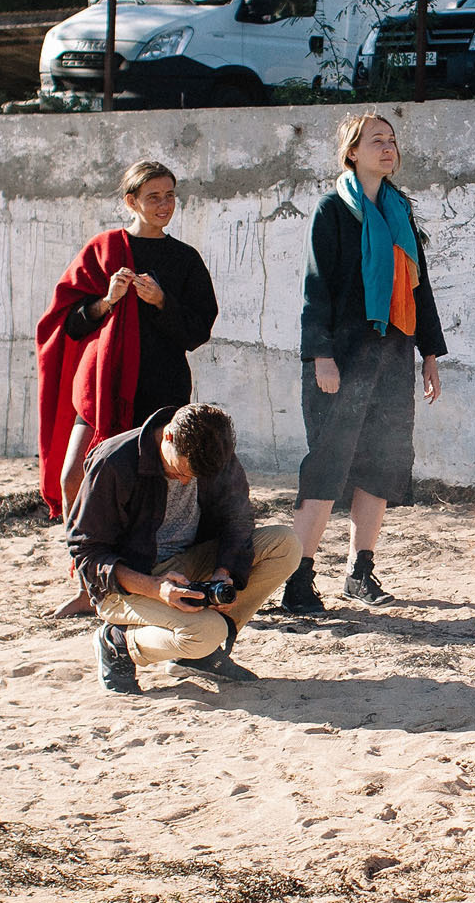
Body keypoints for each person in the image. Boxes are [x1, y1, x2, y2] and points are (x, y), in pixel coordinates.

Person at [34, 160, 220, 615]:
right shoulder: (102, 250)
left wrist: (161, 302)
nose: (164, 205)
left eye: (171, 195)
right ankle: (87, 584)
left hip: (163, 391)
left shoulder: (185, 259)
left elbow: (198, 331)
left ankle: (143, 581)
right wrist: (108, 301)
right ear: (130, 201)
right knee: (75, 475)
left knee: (154, 491)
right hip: (103, 386)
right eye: (153, 196)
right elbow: (71, 326)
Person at [282, 112, 447, 615]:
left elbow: (420, 290)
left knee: (383, 463)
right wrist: (321, 355)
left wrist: (429, 355)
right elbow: (317, 289)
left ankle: (360, 572)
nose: (388, 147)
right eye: (376, 140)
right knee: (328, 464)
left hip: (393, 355)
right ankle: (298, 578)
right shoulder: (333, 210)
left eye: (392, 140)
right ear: (352, 152)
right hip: (345, 357)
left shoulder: (400, 211)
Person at [69, 403, 300, 694]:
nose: (185, 481)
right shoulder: (114, 462)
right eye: (180, 471)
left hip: (189, 563)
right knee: (206, 633)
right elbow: (87, 554)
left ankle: (194, 657)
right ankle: (119, 643)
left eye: (194, 477)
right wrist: (154, 587)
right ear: (167, 437)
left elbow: (238, 519)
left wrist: (224, 572)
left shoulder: (217, 452)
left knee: (285, 543)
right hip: (127, 584)